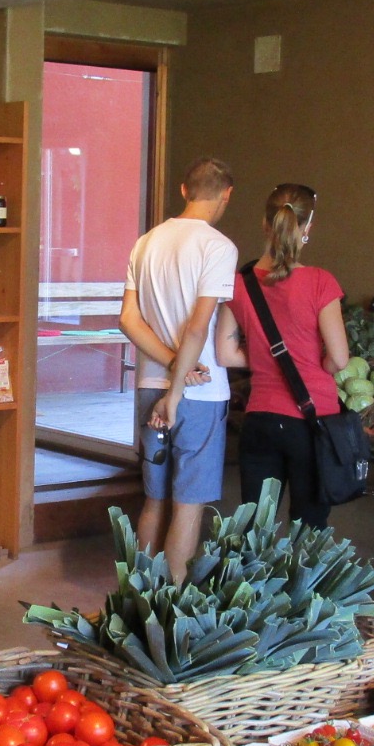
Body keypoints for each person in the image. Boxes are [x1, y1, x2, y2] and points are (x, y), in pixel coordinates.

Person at [119, 156, 237, 581]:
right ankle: (174, 607)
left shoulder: (146, 242)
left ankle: (137, 598)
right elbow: (197, 328)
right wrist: (179, 387)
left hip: (150, 382)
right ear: (227, 196)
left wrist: (170, 367)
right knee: (188, 505)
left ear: (184, 191)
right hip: (199, 393)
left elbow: (128, 320)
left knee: (154, 499)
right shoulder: (218, 247)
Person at [213, 183, 349, 529]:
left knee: (255, 527)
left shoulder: (239, 283)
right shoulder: (321, 283)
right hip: (312, 420)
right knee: (309, 527)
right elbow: (339, 358)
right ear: (307, 228)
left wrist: (264, 357)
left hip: (260, 419)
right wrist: (315, 362)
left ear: (265, 224)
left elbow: (225, 354)